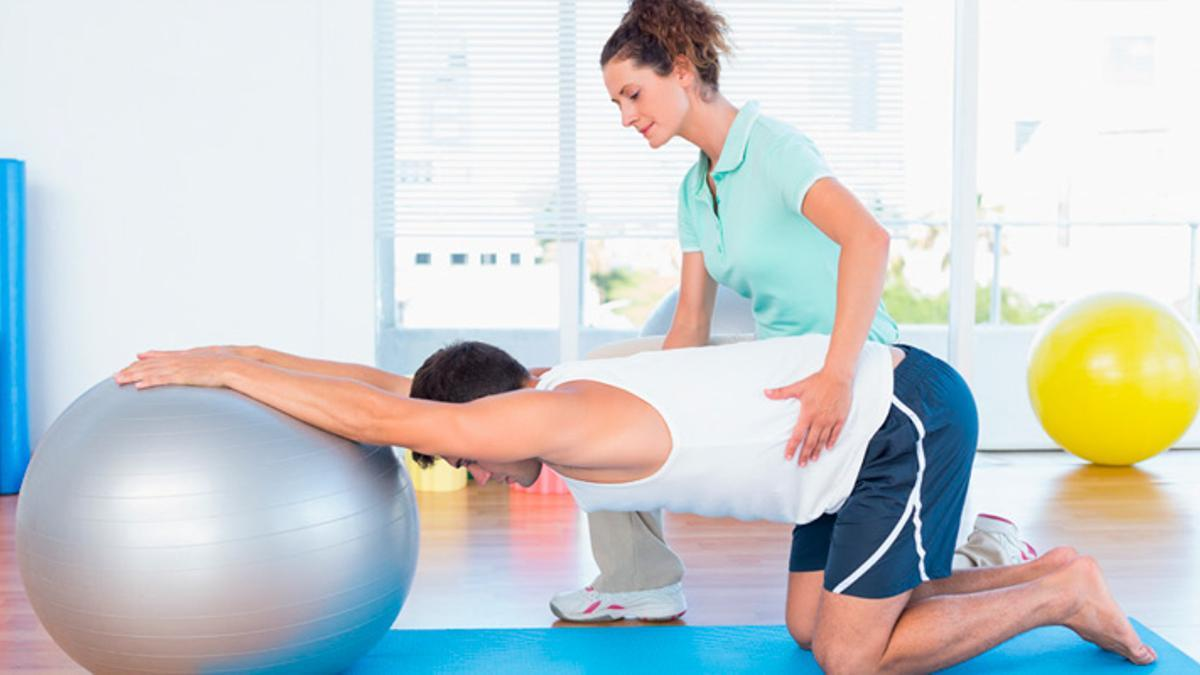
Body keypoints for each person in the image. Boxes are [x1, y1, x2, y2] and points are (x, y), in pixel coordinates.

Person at [114, 337, 1156, 671]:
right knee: (807, 627)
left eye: (469, 451)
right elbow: (371, 384)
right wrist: (221, 358)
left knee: (849, 658)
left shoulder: (555, 422)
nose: (471, 471)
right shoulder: (540, 391)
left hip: (897, 422)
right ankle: (1041, 570)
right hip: (830, 458)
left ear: (495, 417)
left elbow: (400, 422)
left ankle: (1062, 592)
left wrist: (232, 380)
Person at [574, 0, 1032, 621]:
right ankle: (637, 576)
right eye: (616, 104)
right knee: (602, 376)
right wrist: (654, 412)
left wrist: (837, 376)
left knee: (880, 613)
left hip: (861, 372)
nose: (626, 117)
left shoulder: (773, 149)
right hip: (782, 365)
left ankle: (993, 551)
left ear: (681, 70)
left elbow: (868, 240)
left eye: (633, 94)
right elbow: (688, 325)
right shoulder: (694, 189)